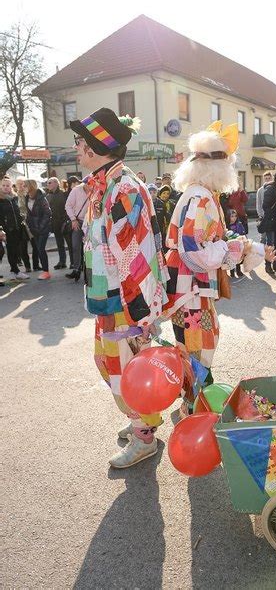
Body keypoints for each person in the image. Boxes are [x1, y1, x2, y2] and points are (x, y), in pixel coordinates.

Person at [71, 107, 169, 469]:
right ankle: (141, 423)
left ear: (96, 147)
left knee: (125, 369)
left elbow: (135, 255)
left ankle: (144, 436)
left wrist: (139, 313)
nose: (77, 149)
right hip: (108, 299)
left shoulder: (122, 188)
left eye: (80, 142)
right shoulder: (104, 185)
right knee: (110, 363)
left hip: (124, 303)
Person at [163, 121, 275, 416]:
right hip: (191, 291)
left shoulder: (200, 194)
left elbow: (210, 241)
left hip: (188, 289)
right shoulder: (201, 198)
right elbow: (194, 250)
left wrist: (250, 247)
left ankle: (191, 401)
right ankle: (196, 410)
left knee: (193, 348)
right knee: (200, 349)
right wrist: (234, 249)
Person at [0, 176, 30, 280]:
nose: (5, 187)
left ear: (11, 186)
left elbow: (18, 212)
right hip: (7, 229)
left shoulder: (14, 197)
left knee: (17, 250)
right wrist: (1, 229)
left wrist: (22, 218)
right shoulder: (0, 199)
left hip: (18, 228)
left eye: (7, 185)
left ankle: (14, 271)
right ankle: (15, 271)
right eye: (3, 185)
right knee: (11, 250)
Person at [25, 179, 52, 280]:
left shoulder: (41, 198)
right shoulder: (27, 197)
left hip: (43, 229)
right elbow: (29, 213)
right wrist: (29, 223)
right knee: (39, 249)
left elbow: (48, 213)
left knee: (41, 249)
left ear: (31, 186)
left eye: (25, 185)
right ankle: (45, 271)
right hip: (34, 229)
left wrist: (41, 226)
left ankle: (46, 272)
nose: (23, 187)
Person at [65, 179, 90, 281]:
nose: (91, 186)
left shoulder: (95, 191)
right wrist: (73, 220)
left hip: (90, 223)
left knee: (89, 248)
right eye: (89, 184)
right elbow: (68, 206)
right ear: (85, 183)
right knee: (76, 246)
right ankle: (76, 270)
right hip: (78, 221)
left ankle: (88, 271)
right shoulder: (76, 190)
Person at [262, 169, 276, 275]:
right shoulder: (271, 189)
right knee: (270, 244)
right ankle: (268, 265)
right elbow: (265, 206)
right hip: (271, 221)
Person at [46, 177, 71, 269]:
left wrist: (66, 219)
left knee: (69, 243)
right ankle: (62, 262)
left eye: (50, 183)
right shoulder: (48, 196)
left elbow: (68, 208)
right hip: (55, 223)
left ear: (56, 183)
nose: (48, 185)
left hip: (65, 222)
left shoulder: (64, 194)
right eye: (48, 183)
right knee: (59, 243)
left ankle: (72, 262)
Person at [15, 176, 34, 272]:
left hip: (30, 223)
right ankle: (27, 266)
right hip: (21, 224)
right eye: (18, 183)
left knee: (35, 245)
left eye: (23, 183)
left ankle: (36, 265)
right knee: (23, 246)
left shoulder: (30, 195)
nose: (21, 185)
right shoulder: (14, 196)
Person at [157, 184, 176, 250]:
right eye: (164, 193)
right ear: (160, 194)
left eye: (168, 193)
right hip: (160, 230)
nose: (166, 195)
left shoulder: (172, 204)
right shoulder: (156, 203)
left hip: (169, 229)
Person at [256, 171, 273, 244]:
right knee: (263, 237)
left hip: (272, 217)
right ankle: (262, 253)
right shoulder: (260, 190)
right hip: (263, 217)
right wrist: (260, 215)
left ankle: (270, 254)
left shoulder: (274, 189)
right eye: (266, 178)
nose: (268, 180)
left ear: (272, 178)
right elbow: (258, 203)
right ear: (264, 179)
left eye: (269, 178)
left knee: (271, 238)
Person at [228, 209, 246, 277]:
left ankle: (238, 270)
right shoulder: (227, 226)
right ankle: (232, 272)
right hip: (231, 245)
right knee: (231, 259)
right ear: (228, 217)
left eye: (235, 216)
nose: (234, 218)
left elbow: (243, 233)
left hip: (239, 244)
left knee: (238, 258)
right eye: (232, 216)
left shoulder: (239, 224)